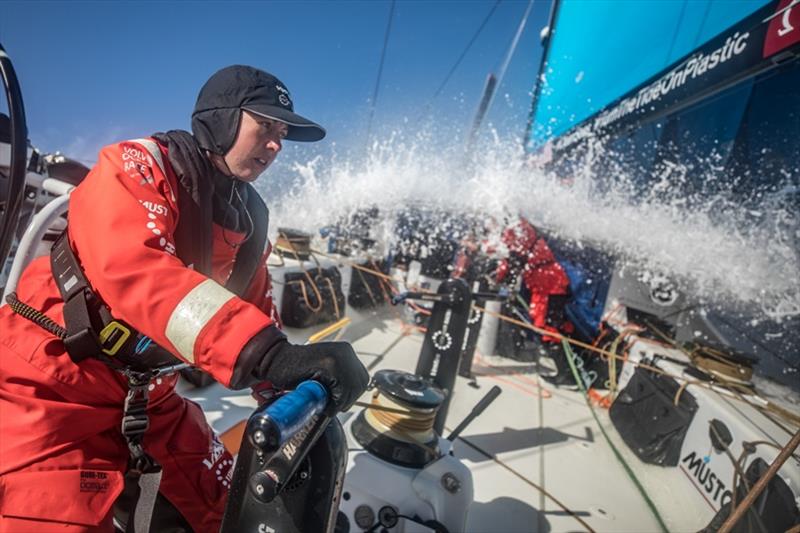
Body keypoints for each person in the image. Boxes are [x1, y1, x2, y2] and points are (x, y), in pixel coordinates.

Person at [0, 65, 369, 532]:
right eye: (266, 126)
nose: (276, 145)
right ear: (222, 119)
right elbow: (133, 270)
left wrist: (286, 381)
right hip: (49, 389)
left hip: (152, 401)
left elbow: (253, 313)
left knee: (235, 510)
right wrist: (267, 355)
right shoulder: (136, 165)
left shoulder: (248, 219)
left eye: (282, 133)